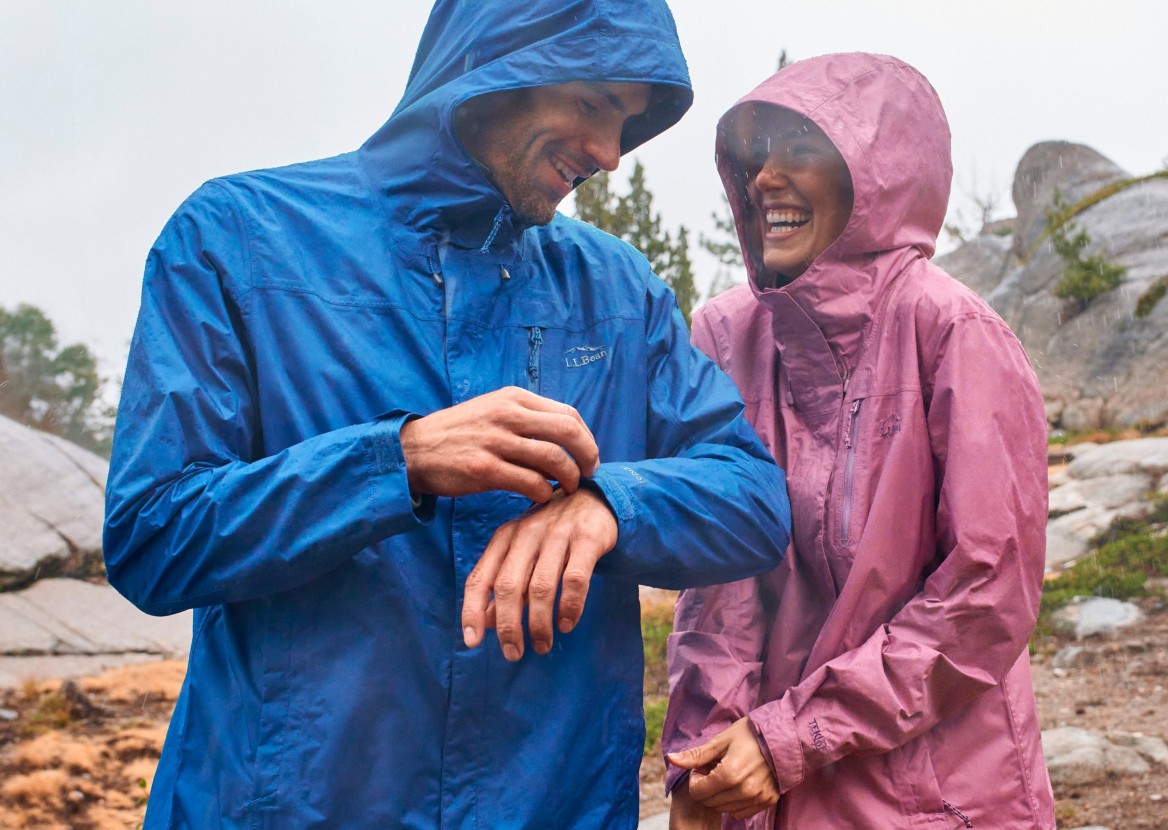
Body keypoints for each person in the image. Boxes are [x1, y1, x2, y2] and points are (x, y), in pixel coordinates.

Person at [102, 2, 790, 827]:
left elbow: (752, 497)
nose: (610, 154)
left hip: (553, 801)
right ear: (501, 57)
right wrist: (397, 462)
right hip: (286, 805)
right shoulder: (236, 238)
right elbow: (152, 535)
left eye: (630, 122)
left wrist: (611, 505)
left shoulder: (616, 288)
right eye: (599, 103)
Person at [661, 53, 1056, 829]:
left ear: (879, 176)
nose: (766, 177)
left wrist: (792, 738)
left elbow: (985, 596)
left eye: (800, 149)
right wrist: (704, 761)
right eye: (757, 155)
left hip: (936, 795)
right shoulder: (725, 336)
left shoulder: (955, 334)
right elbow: (721, 588)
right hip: (758, 790)